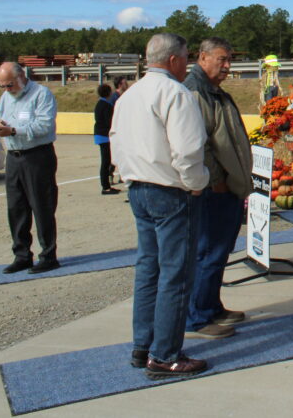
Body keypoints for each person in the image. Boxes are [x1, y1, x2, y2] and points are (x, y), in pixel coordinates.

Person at [110, 33, 211, 380]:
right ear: (173, 60)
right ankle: (165, 354)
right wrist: (196, 184)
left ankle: (143, 345)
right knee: (176, 274)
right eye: (186, 57)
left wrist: (126, 175)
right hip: (170, 190)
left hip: (138, 186)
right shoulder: (176, 93)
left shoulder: (129, 95)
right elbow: (187, 149)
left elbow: (115, 141)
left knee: (149, 269)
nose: (189, 63)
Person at [183, 37, 253, 340]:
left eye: (229, 60)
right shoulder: (196, 91)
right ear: (202, 57)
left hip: (225, 187)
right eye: (221, 60)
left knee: (219, 251)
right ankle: (197, 317)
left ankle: (211, 306)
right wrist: (218, 181)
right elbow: (199, 145)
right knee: (208, 252)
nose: (227, 66)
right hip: (214, 190)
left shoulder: (211, 90)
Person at [0, 62, 60, 275]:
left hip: (37, 157)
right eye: (2, 86)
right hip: (14, 157)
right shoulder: (6, 97)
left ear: (22, 76)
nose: (6, 90)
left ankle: (48, 256)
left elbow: (44, 125)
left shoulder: (41, 94)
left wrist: (13, 131)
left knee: (42, 206)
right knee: (16, 208)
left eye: (9, 85)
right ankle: (22, 255)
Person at [93, 84, 120, 195]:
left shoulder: (101, 103)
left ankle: (107, 185)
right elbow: (109, 122)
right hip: (104, 136)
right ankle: (105, 187)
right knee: (105, 161)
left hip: (101, 135)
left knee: (107, 161)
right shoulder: (105, 105)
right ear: (108, 93)